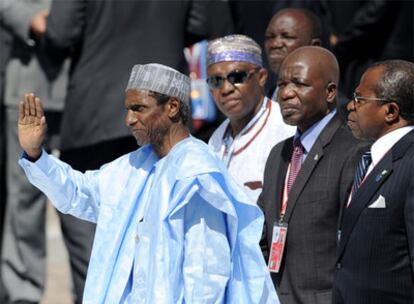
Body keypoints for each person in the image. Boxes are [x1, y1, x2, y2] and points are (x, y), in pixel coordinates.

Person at [17, 63, 279, 303]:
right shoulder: (132, 166)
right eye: (128, 110)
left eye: (138, 109)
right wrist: (36, 155)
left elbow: (206, 273)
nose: (128, 120)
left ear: (172, 107)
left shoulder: (196, 174)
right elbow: (80, 193)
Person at [258, 46, 367, 304]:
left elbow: (356, 247)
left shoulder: (353, 151)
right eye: (282, 84)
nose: (286, 93)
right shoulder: (279, 154)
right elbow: (264, 230)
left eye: (299, 84)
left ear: (330, 92)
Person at [0, 1, 70, 303]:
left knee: (88, 196)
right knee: (24, 201)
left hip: (83, 86)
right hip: (28, 84)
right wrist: (32, 20)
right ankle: (22, 292)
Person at [333, 60, 414, 303]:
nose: (350, 105)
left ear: (391, 111)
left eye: (360, 98)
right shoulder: (367, 160)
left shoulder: (409, 162)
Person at [207, 34, 295, 202]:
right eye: (216, 81)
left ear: (261, 77)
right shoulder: (215, 139)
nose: (226, 89)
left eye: (237, 77)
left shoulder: (286, 130)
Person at [264, 8, 322, 100]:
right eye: (269, 37)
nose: (275, 44)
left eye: (287, 37)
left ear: (314, 46)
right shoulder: (264, 103)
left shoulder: (335, 109)